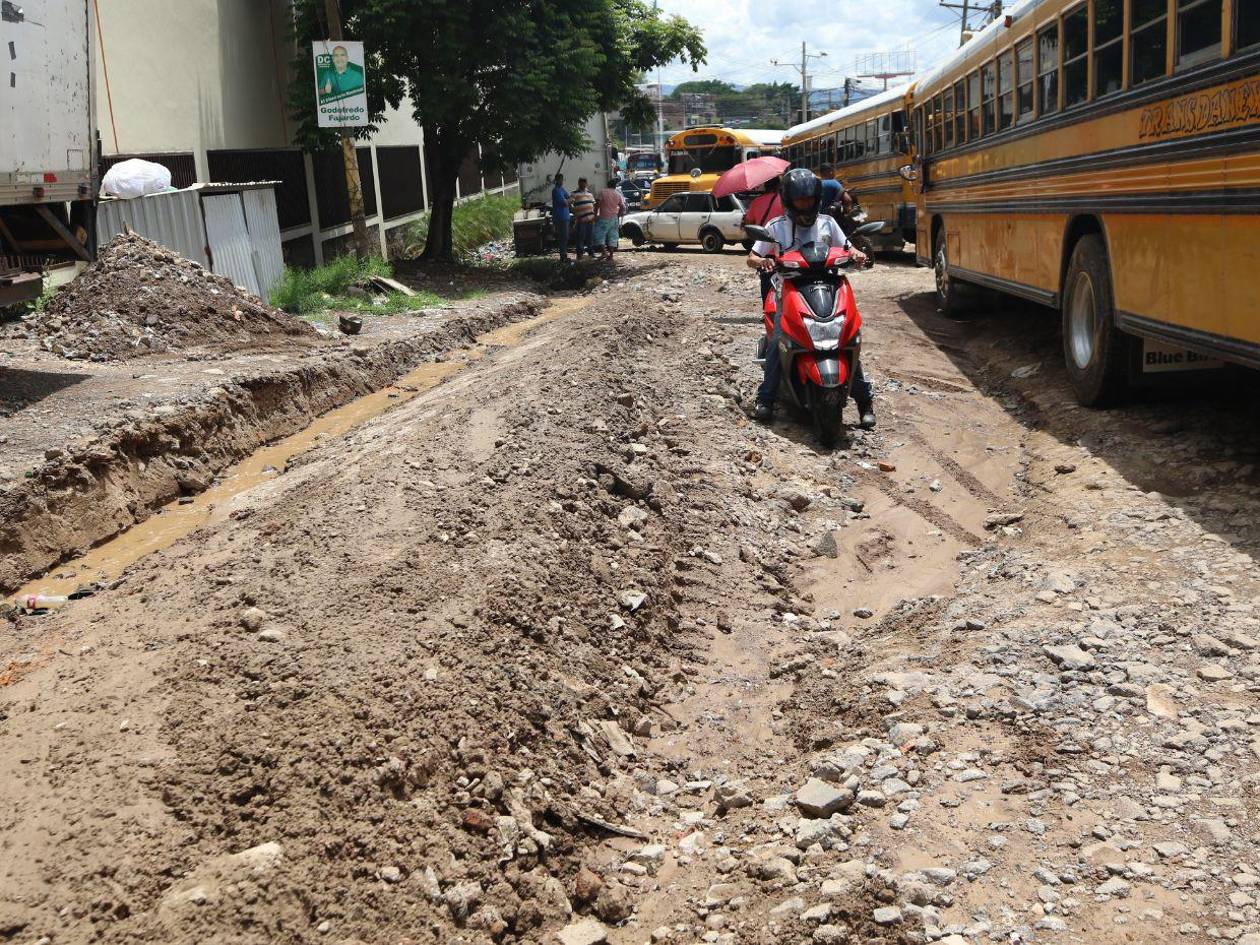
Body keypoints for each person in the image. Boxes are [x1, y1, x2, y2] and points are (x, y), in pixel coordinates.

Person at [747, 168, 876, 429]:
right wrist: (764, 261)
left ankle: (865, 401)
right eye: (800, 200)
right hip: (790, 286)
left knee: (847, 336)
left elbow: (847, 248)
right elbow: (752, 257)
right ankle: (766, 398)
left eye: (809, 199)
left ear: (816, 198)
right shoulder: (775, 227)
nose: (805, 204)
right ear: (789, 200)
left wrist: (858, 254)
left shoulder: (828, 223)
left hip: (829, 284)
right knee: (778, 340)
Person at [741, 176, 783, 306]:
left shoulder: (757, 202)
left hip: (762, 250)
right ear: (778, 186)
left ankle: (767, 310)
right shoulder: (785, 202)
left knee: (766, 281)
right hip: (783, 248)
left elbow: (748, 224)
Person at [594, 178, 627, 261]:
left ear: (607, 185)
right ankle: (611, 255)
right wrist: (618, 215)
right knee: (613, 236)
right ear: (615, 186)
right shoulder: (617, 194)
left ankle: (604, 252)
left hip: (604, 217)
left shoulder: (602, 192)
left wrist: (595, 215)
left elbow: (597, 204)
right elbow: (622, 207)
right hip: (614, 218)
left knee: (599, 235)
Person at [571, 178, 597, 260]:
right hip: (581, 220)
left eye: (584, 183)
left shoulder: (589, 193)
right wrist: (574, 212)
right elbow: (570, 204)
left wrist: (594, 215)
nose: (583, 185)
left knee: (590, 237)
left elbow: (594, 204)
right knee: (580, 237)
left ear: (586, 184)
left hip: (590, 219)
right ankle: (579, 254)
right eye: (581, 183)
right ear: (578, 184)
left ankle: (591, 252)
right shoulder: (574, 193)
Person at [551, 174, 572, 264]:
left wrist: (570, 199)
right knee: (563, 237)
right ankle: (563, 256)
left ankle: (564, 255)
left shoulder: (561, 189)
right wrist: (571, 200)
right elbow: (565, 203)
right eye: (562, 180)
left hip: (565, 216)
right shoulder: (556, 191)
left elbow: (568, 197)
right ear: (558, 180)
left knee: (565, 237)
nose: (562, 181)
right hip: (560, 217)